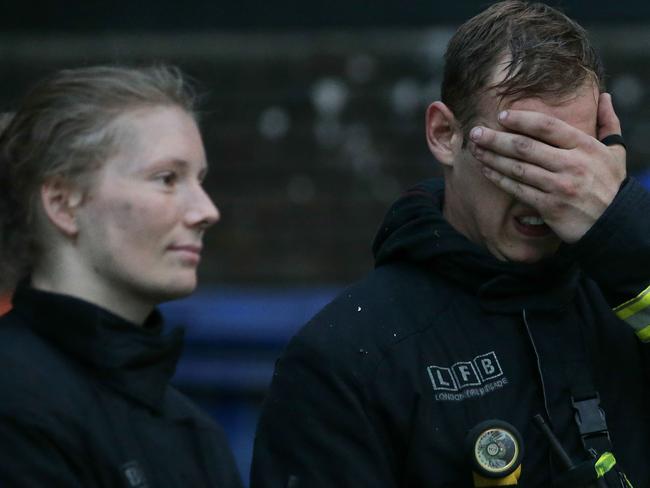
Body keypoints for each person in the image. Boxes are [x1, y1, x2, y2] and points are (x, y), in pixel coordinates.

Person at [251, 2, 650, 487]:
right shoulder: (347, 360)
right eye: (517, 152)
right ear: (445, 134)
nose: (549, 190)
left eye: (569, 158)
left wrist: (627, 232)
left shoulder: (627, 296)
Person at [0, 66, 243, 487]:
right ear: (63, 203)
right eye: (167, 179)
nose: (206, 211)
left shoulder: (195, 433)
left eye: (199, 180)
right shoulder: (14, 398)